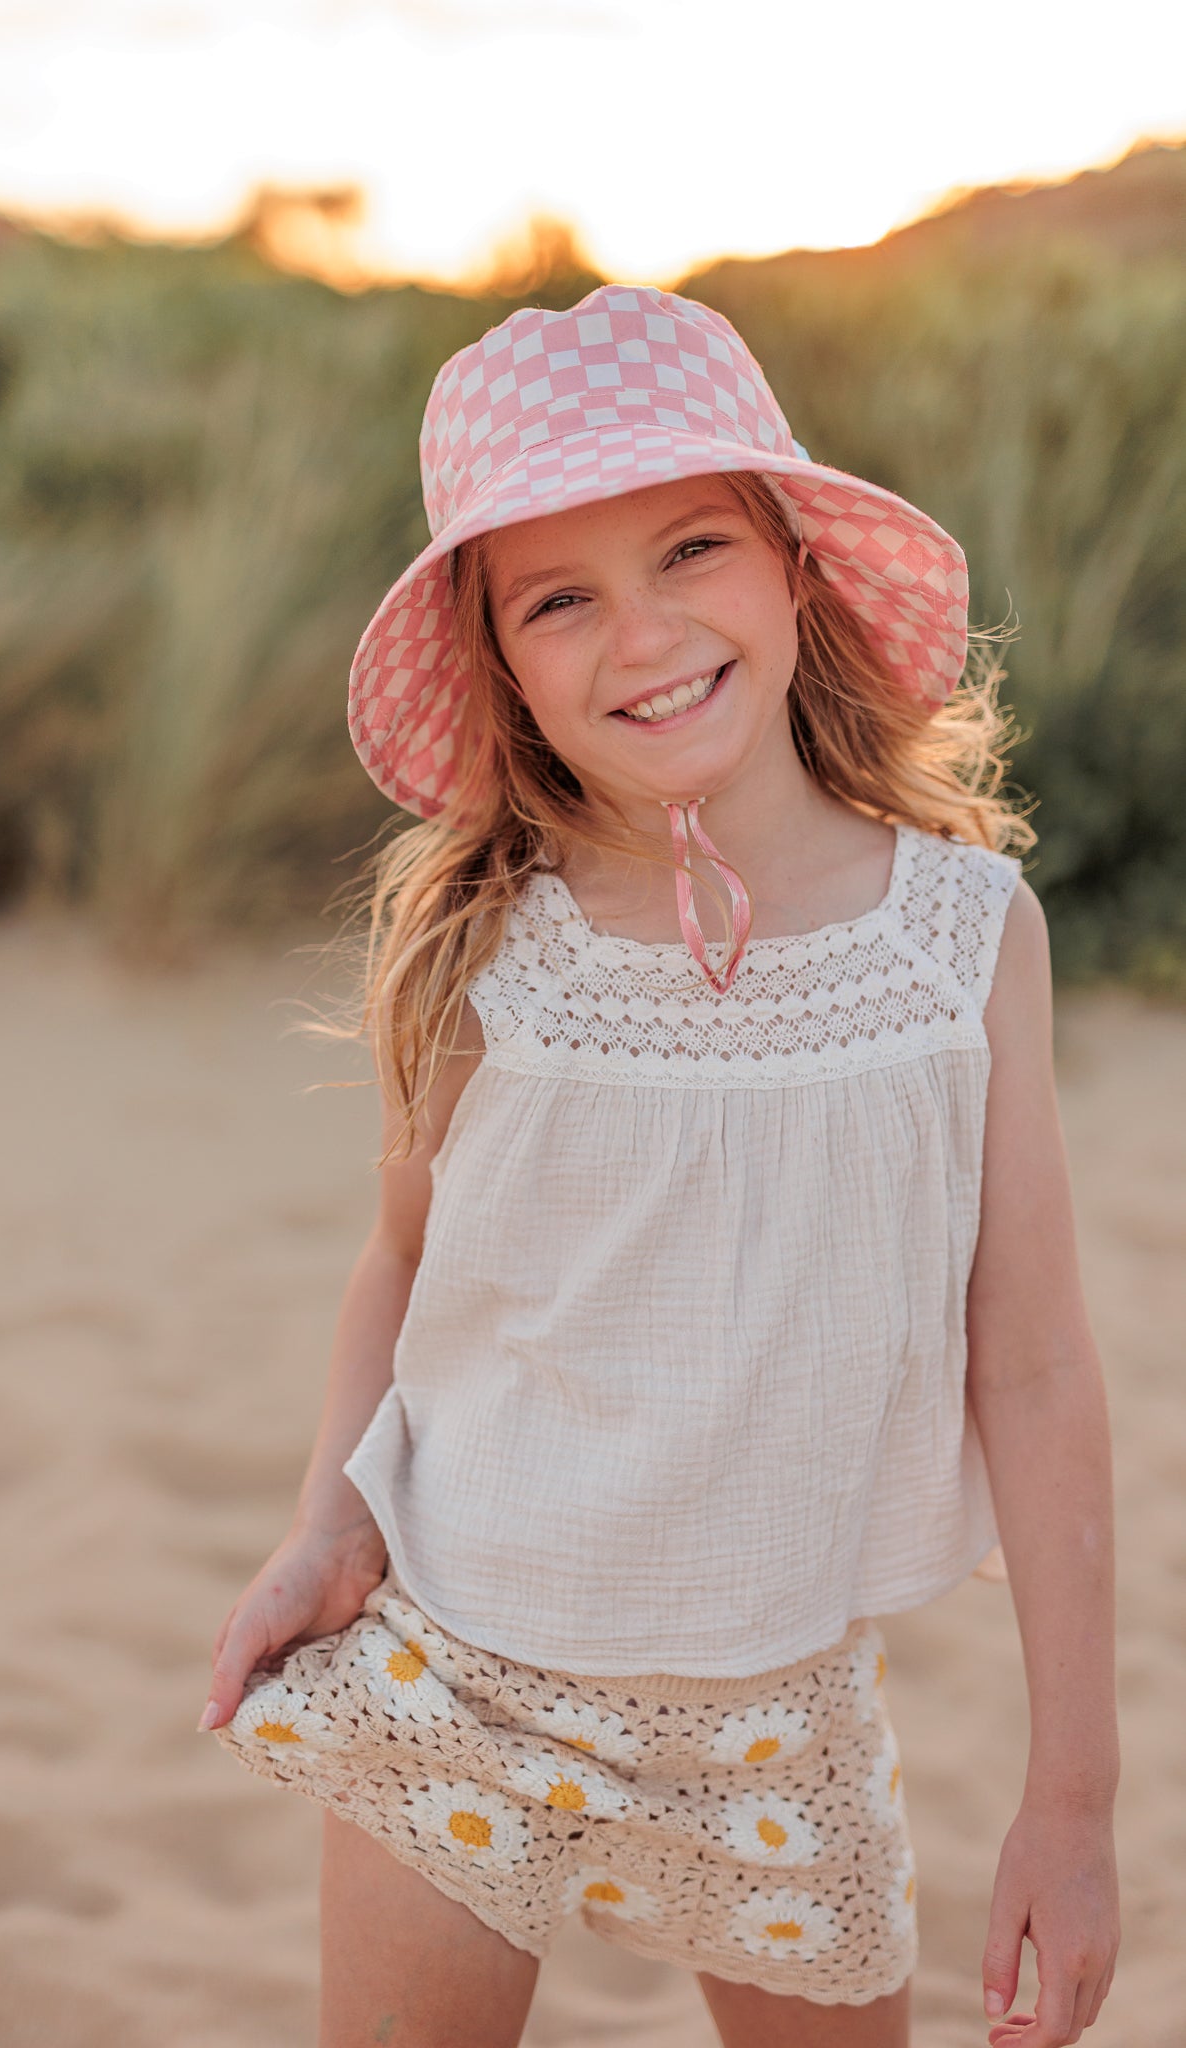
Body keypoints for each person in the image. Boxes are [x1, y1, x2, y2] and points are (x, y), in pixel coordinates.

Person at [199, 286, 1119, 2048]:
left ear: (790, 564)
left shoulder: (959, 936)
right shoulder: (488, 949)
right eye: (558, 598)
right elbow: (398, 1263)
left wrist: (1068, 1806)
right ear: (500, 664)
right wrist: (332, 1518)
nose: (642, 636)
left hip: (780, 1730)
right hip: (455, 1678)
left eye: (688, 547)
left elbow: (1036, 1359)